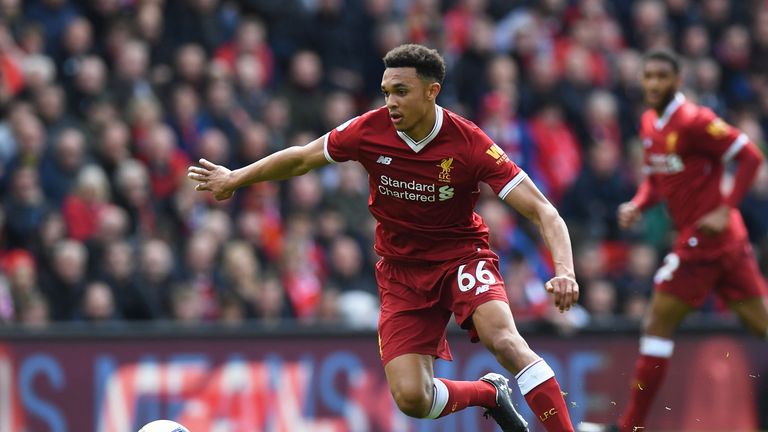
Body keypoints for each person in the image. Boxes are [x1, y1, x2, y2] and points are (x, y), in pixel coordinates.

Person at [188, 44, 578, 432]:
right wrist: (236, 177)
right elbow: (302, 158)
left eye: (401, 92)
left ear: (431, 91)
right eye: (386, 91)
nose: (390, 102)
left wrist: (565, 271)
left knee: (504, 341)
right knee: (413, 399)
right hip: (401, 271)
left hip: (461, 257)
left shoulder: (469, 143)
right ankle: (489, 394)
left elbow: (544, 211)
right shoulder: (368, 130)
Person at [611, 49, 768, 431]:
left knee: (656, 324)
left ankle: (630, 425)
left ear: (677, 81)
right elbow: (657, 178)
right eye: (648, 76)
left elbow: (750, 156)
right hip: (725, 245)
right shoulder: (649, 123)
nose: (652, 84)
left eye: (661, 76)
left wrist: (726, 207)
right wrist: (639, 204)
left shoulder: (696, 120)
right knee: (763, 325)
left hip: (706, 242)